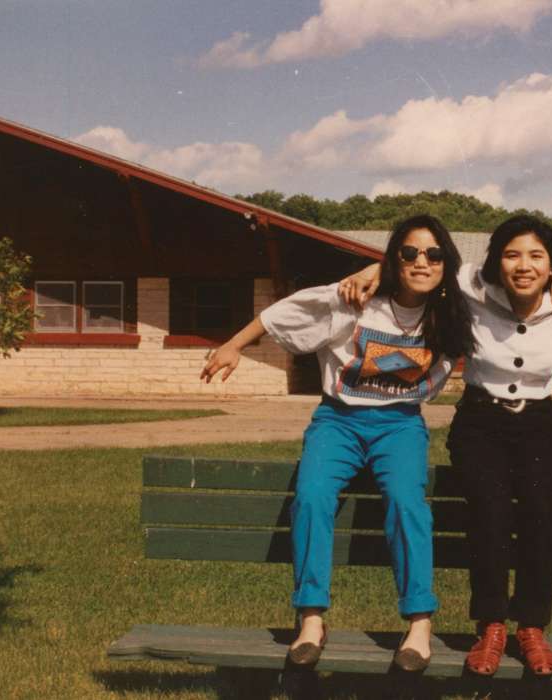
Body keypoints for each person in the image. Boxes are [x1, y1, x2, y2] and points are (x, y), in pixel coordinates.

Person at [200, 214, 474, 671]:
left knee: (408, 502)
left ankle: (419, 624)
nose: (421, 261)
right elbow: (281, 312)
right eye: (408, 253)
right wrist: (234, 345)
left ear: (446, 263)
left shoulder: (450, 311)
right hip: (339, 421)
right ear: (393, 258)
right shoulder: (354, 299)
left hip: (400, 425)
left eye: (433, 254)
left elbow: (507, 279)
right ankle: (310, 619)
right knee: (310, 497)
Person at [340, 214, 552, 677]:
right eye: (512, 254)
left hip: (538, 423)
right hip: (480, 421)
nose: (524, 266)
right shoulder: (470, 284)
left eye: (537, 257)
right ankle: (491, 626)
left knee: (543, 516)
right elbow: (416, 262)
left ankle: (532, 628)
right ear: (496, 259)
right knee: (490, 512)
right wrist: (371, 270)